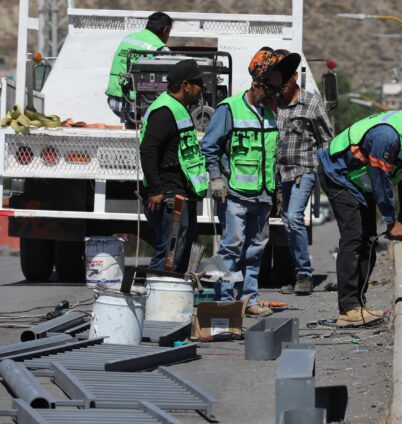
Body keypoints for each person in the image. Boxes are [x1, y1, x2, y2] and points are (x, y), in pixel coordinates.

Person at [317, 111, 402, 327]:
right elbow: (381, 181)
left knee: (369, 240)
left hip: (360, 182)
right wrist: (391, 222)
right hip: (338, 174)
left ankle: (358, 305)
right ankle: (348, 309)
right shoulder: (386, 138)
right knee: (354, 237)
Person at [201, 47, 301, 317]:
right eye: (270, 91)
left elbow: (275, 155)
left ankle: (249, 300)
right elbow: (210, 146)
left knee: (255, 250)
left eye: (276, 92)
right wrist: (216, 178)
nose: (273, 97)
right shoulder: (230, 109)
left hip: (263, 196)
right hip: (235, 194)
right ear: (257, 84)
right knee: (232, 247)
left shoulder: (272, 114)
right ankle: (225, 302)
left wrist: (278, 192)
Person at [139, 59, 208, 272]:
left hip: (180, 191)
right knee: (169, 254)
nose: (202, 89)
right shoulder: (164, 111)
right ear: (186, 85)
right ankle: (156, 290)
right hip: (168, 194)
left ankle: (170, 291)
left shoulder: (178, 109)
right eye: (199, 84)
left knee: (178, 252)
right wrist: (155, 189)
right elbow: (148, 149)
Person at [274, 50, 334, 295]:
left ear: (295, 78)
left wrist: (325, 171)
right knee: (287, 223)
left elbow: (326, 139)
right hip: (281, 173)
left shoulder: (311, 103)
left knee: (294, 217)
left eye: (285, 80)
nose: (281, 85)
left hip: (304, 170)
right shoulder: (273, 104)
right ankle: (294, 272)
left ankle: (304, 275)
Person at [105, 11, 173, 126]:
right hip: (136, 105)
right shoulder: (161, 49)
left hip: (114, 100)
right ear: (166, 30)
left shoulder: (128, 39)